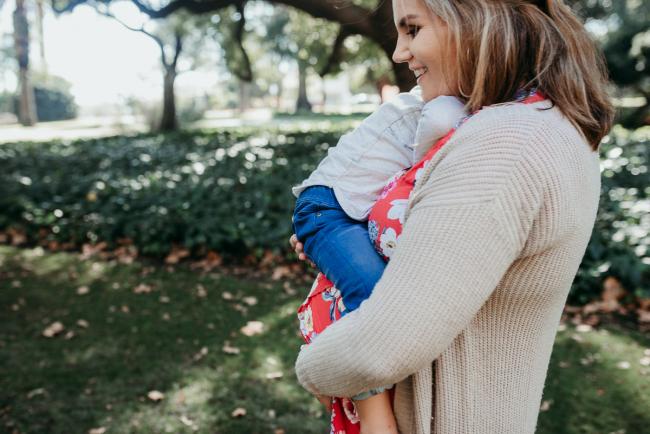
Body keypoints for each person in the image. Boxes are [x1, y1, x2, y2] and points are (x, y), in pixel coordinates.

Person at [292, 1, 615, 433]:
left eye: (413, 28)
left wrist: (314, 368)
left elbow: (378, 350)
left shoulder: (505, 144)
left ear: (477, 17)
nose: (398, 54)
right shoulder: (534, 123)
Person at [292, 89, 466, 432]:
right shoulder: (444, 105)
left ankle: (346, 383)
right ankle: (363, 400)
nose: (403, 53)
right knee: (373, 295)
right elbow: (423, 171)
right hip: (329, 207)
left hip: (345, 206)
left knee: (376, 288)